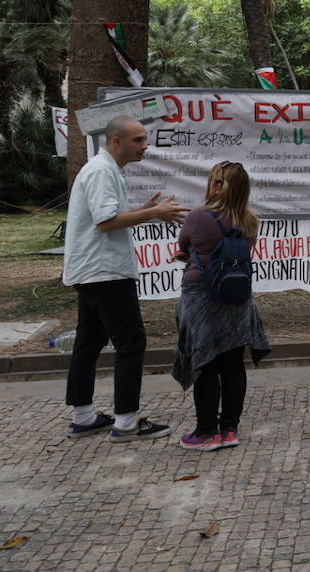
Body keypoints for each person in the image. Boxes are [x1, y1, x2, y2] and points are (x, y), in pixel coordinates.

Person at [63, 115, 187, 442]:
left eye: (145, 139)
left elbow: (107, 217)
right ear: (116, 141)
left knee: (88, 344)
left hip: (90, 271)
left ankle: (83, 417)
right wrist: (153, 213)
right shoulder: (102, 171)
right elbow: (106, 222)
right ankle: (127, 421)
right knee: (131, 342)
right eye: (138, 140)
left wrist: (141, 211)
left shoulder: (104, 169)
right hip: (106, 272)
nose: (145, 146)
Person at [172, 161, 271, 451]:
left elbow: (184, 244)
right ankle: (230, 429)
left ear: (216, 184)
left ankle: (206, 432)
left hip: (201, 295)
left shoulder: (198, 216)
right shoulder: (250, 220)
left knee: (205, 364)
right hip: (237, 296)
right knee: (233, 363)